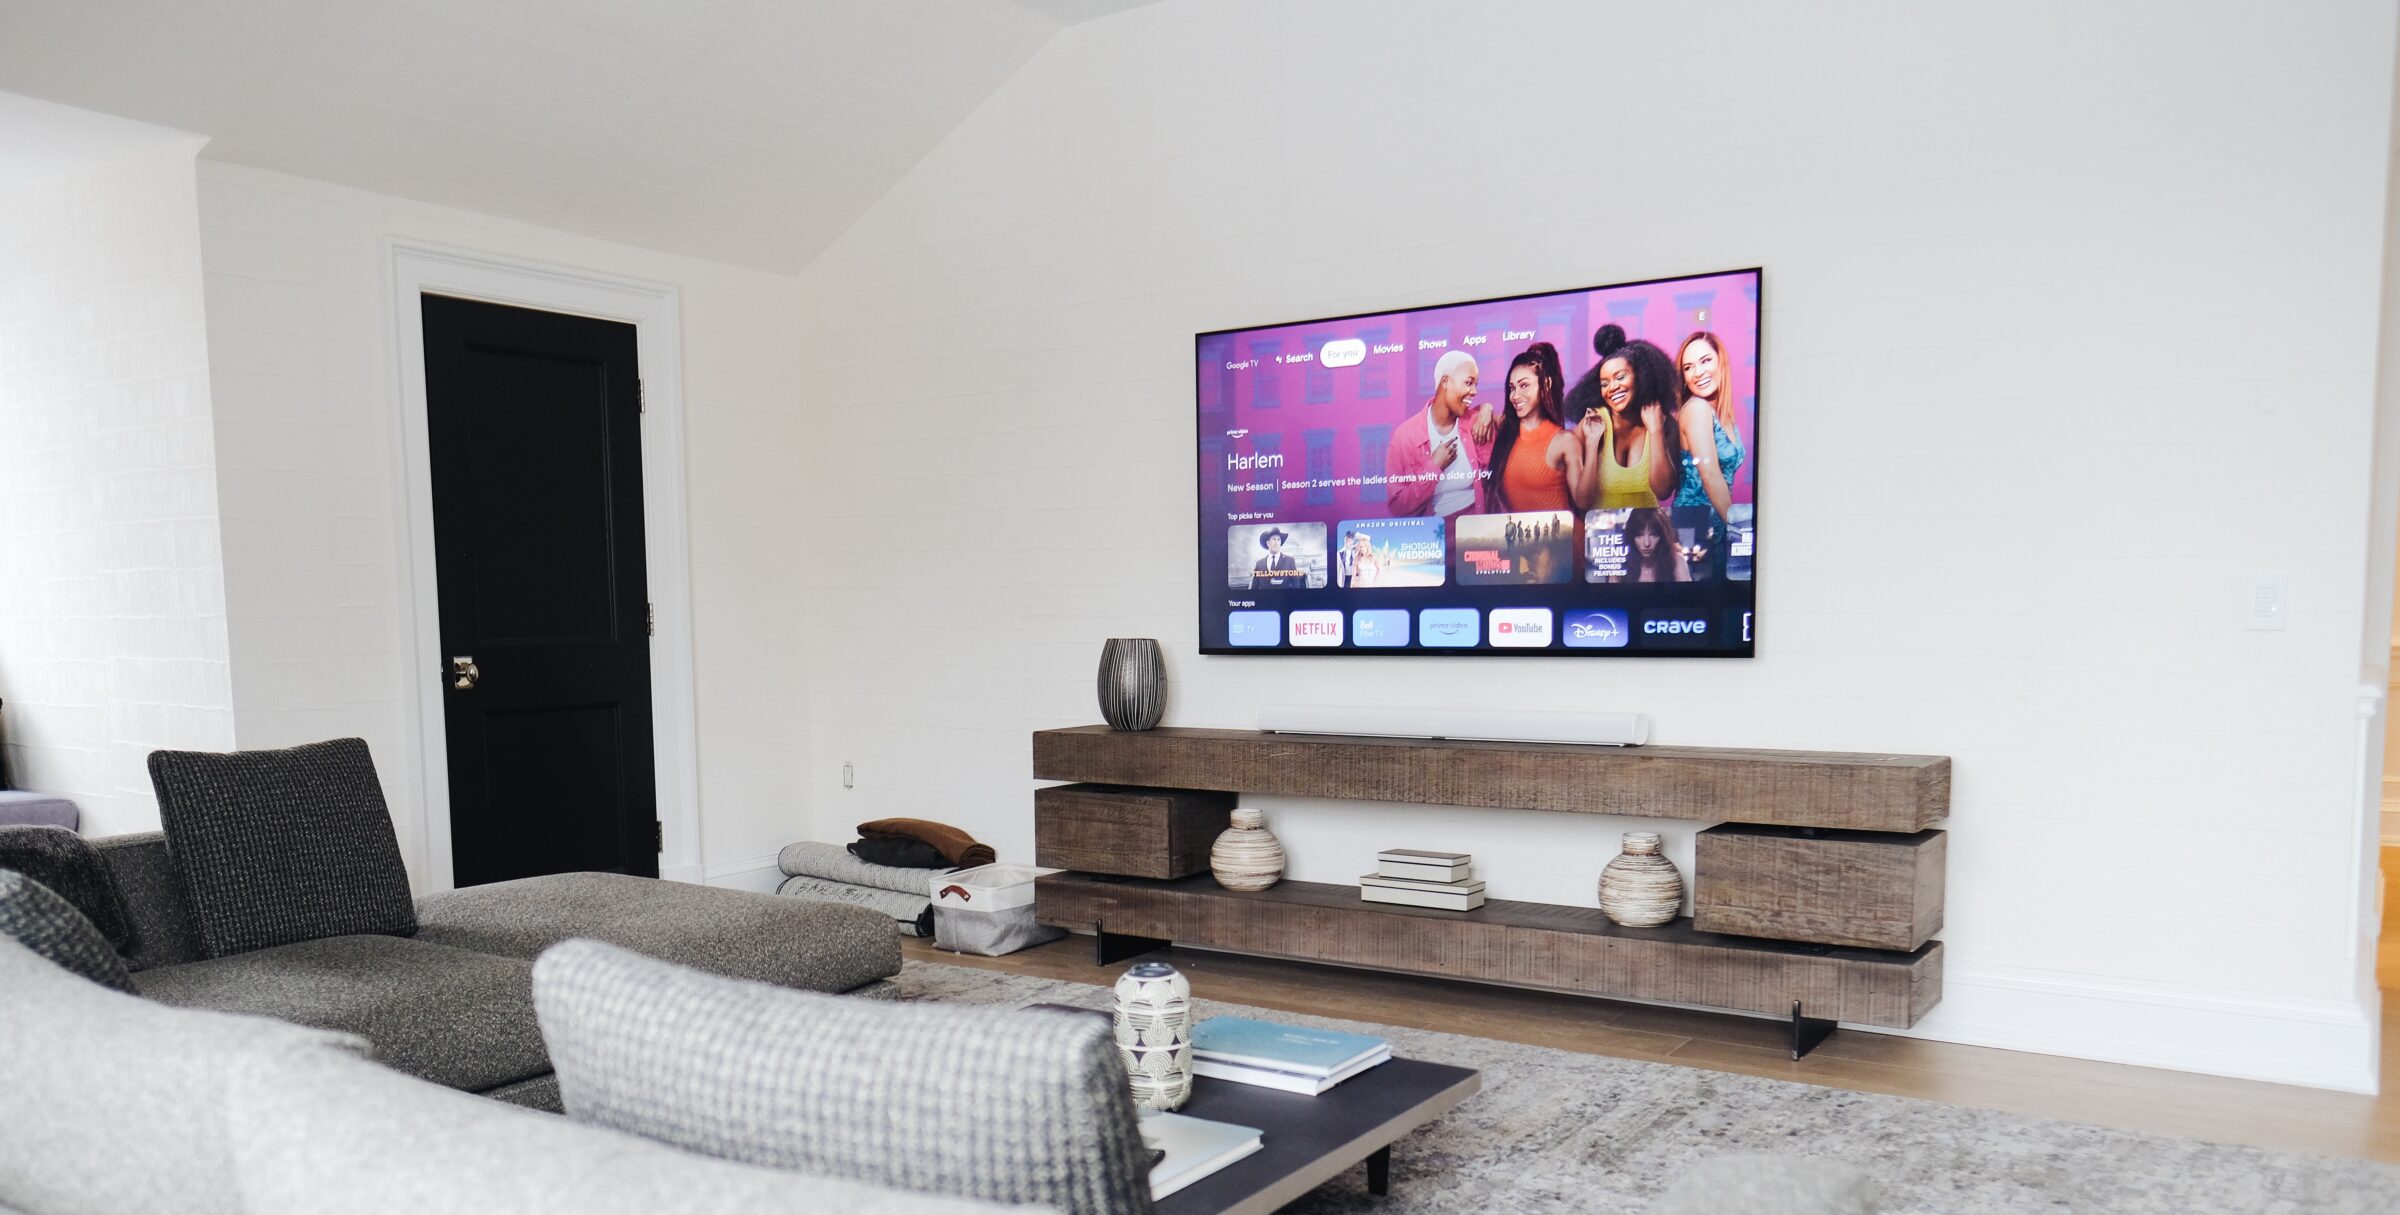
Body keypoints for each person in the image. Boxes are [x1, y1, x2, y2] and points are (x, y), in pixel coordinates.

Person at [1571, 329, 1681, 510]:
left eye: (1620, 377)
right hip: (1601, 534)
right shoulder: (1592, 424)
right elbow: (1582, 501)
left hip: (1648, 533)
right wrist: (1591, 444)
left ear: (1641, 376)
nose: (1612, 387)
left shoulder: (1663, 423)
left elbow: (1663, 491)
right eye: (1604, 384)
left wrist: (1655, 431)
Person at [1385, 350, 1493, 519]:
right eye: (1468, 382)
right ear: (1445, 382)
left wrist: (1488, 408)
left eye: (1476, 384)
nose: (1474, 391)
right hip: (1432, 539)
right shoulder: (1404, 437)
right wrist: (1434, 468)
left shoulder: (1477, 422)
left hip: (1475, 533)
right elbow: (1398, 507)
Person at [1673, 331, 1746, 579]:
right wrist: (1741, 530)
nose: (1698, 372)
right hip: (1696, 529)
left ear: (1720, 362)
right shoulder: (1696, 408)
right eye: (1688, 367)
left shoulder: (1723, 415)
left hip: (1719, 525)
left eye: (1705, 361)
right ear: (1683, 377)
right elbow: (1711, 474)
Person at [1483, 341, 1579, 514]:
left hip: (1564, 538)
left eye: (1524, 385)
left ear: (1546, 385)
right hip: (1523, 536)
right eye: (1512, 388)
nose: (1516, 395)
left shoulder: (1564, 440)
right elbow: (1479, 415)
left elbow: (1583, 502)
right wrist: (1486, 408)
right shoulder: (1507, 428)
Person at [1623, 507, 1690, 583]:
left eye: (1653, 534)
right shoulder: (1621, 563)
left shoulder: (1676, 561)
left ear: (1662, 535)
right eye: (1639, 535)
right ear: (1631, 535)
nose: (1647, 543)